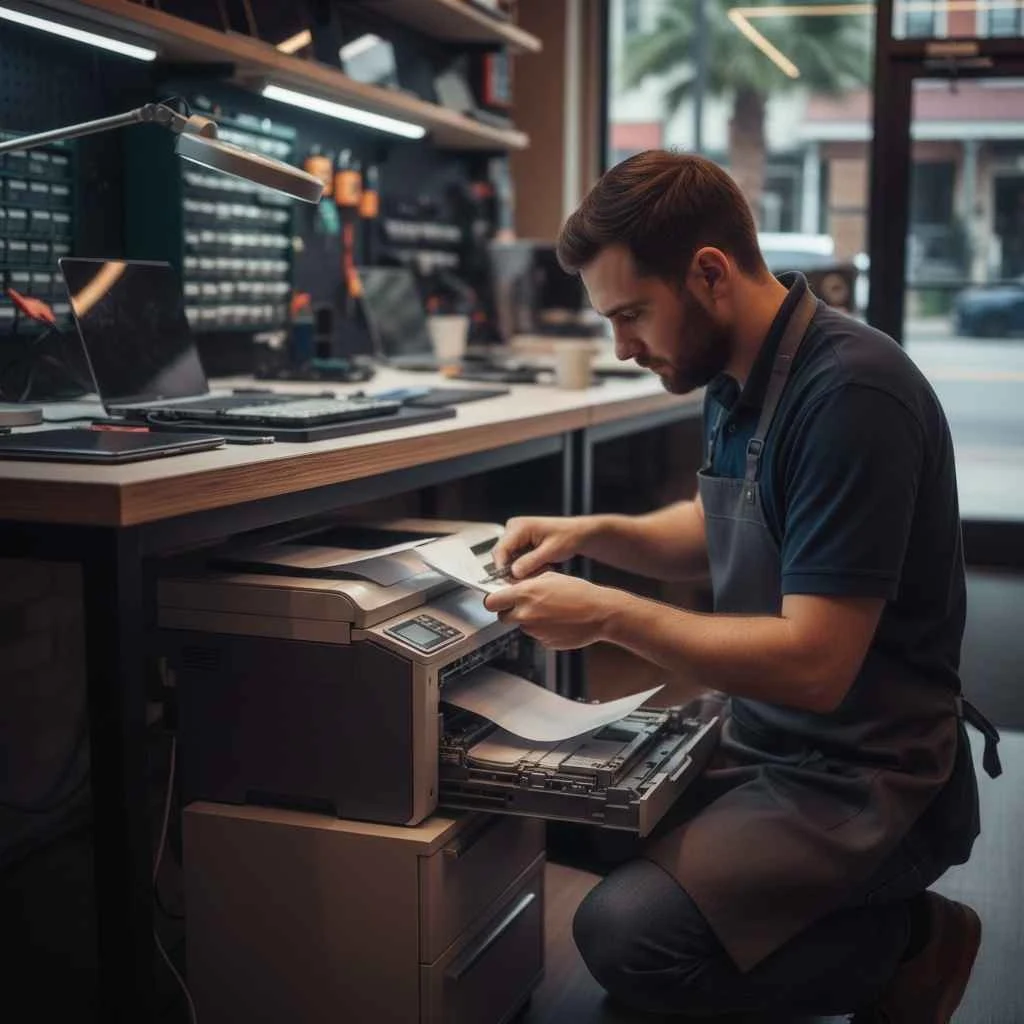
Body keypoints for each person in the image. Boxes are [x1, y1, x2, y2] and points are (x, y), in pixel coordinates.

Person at [483, 151, 1002, 1022]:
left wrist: (608, 613)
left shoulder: (852, 395)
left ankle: (907, 942)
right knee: (547, 807)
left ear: (710, 274)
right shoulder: (732, 373)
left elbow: (815, 663)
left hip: (871, 778)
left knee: (627, 937)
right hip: (765, 741)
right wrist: (594, 537)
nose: (623, 347)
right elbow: (721, 526)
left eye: (632, 315)